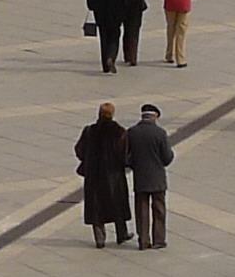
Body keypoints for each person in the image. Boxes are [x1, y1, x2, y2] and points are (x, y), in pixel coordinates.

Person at [75, 102, 132, 249]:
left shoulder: (89, 131)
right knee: (117, 204)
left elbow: (79, 150)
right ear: (112, 114)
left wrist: (88, 160)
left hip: (94, 176)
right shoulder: (119, 132)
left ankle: (100, 239)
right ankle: (121, 234)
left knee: (96, 207)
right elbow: (125, 154)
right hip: (114, 176)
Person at [127, 102, 177, 249]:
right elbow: (167, 157)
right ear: (155, 117)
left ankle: (143, 240)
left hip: (140, 177)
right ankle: (159, 240)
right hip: (157, 178)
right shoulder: (160, 133)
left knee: (141, 210)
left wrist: (134, 165)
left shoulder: (131, 132)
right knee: (159, 209)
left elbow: (126, 156)